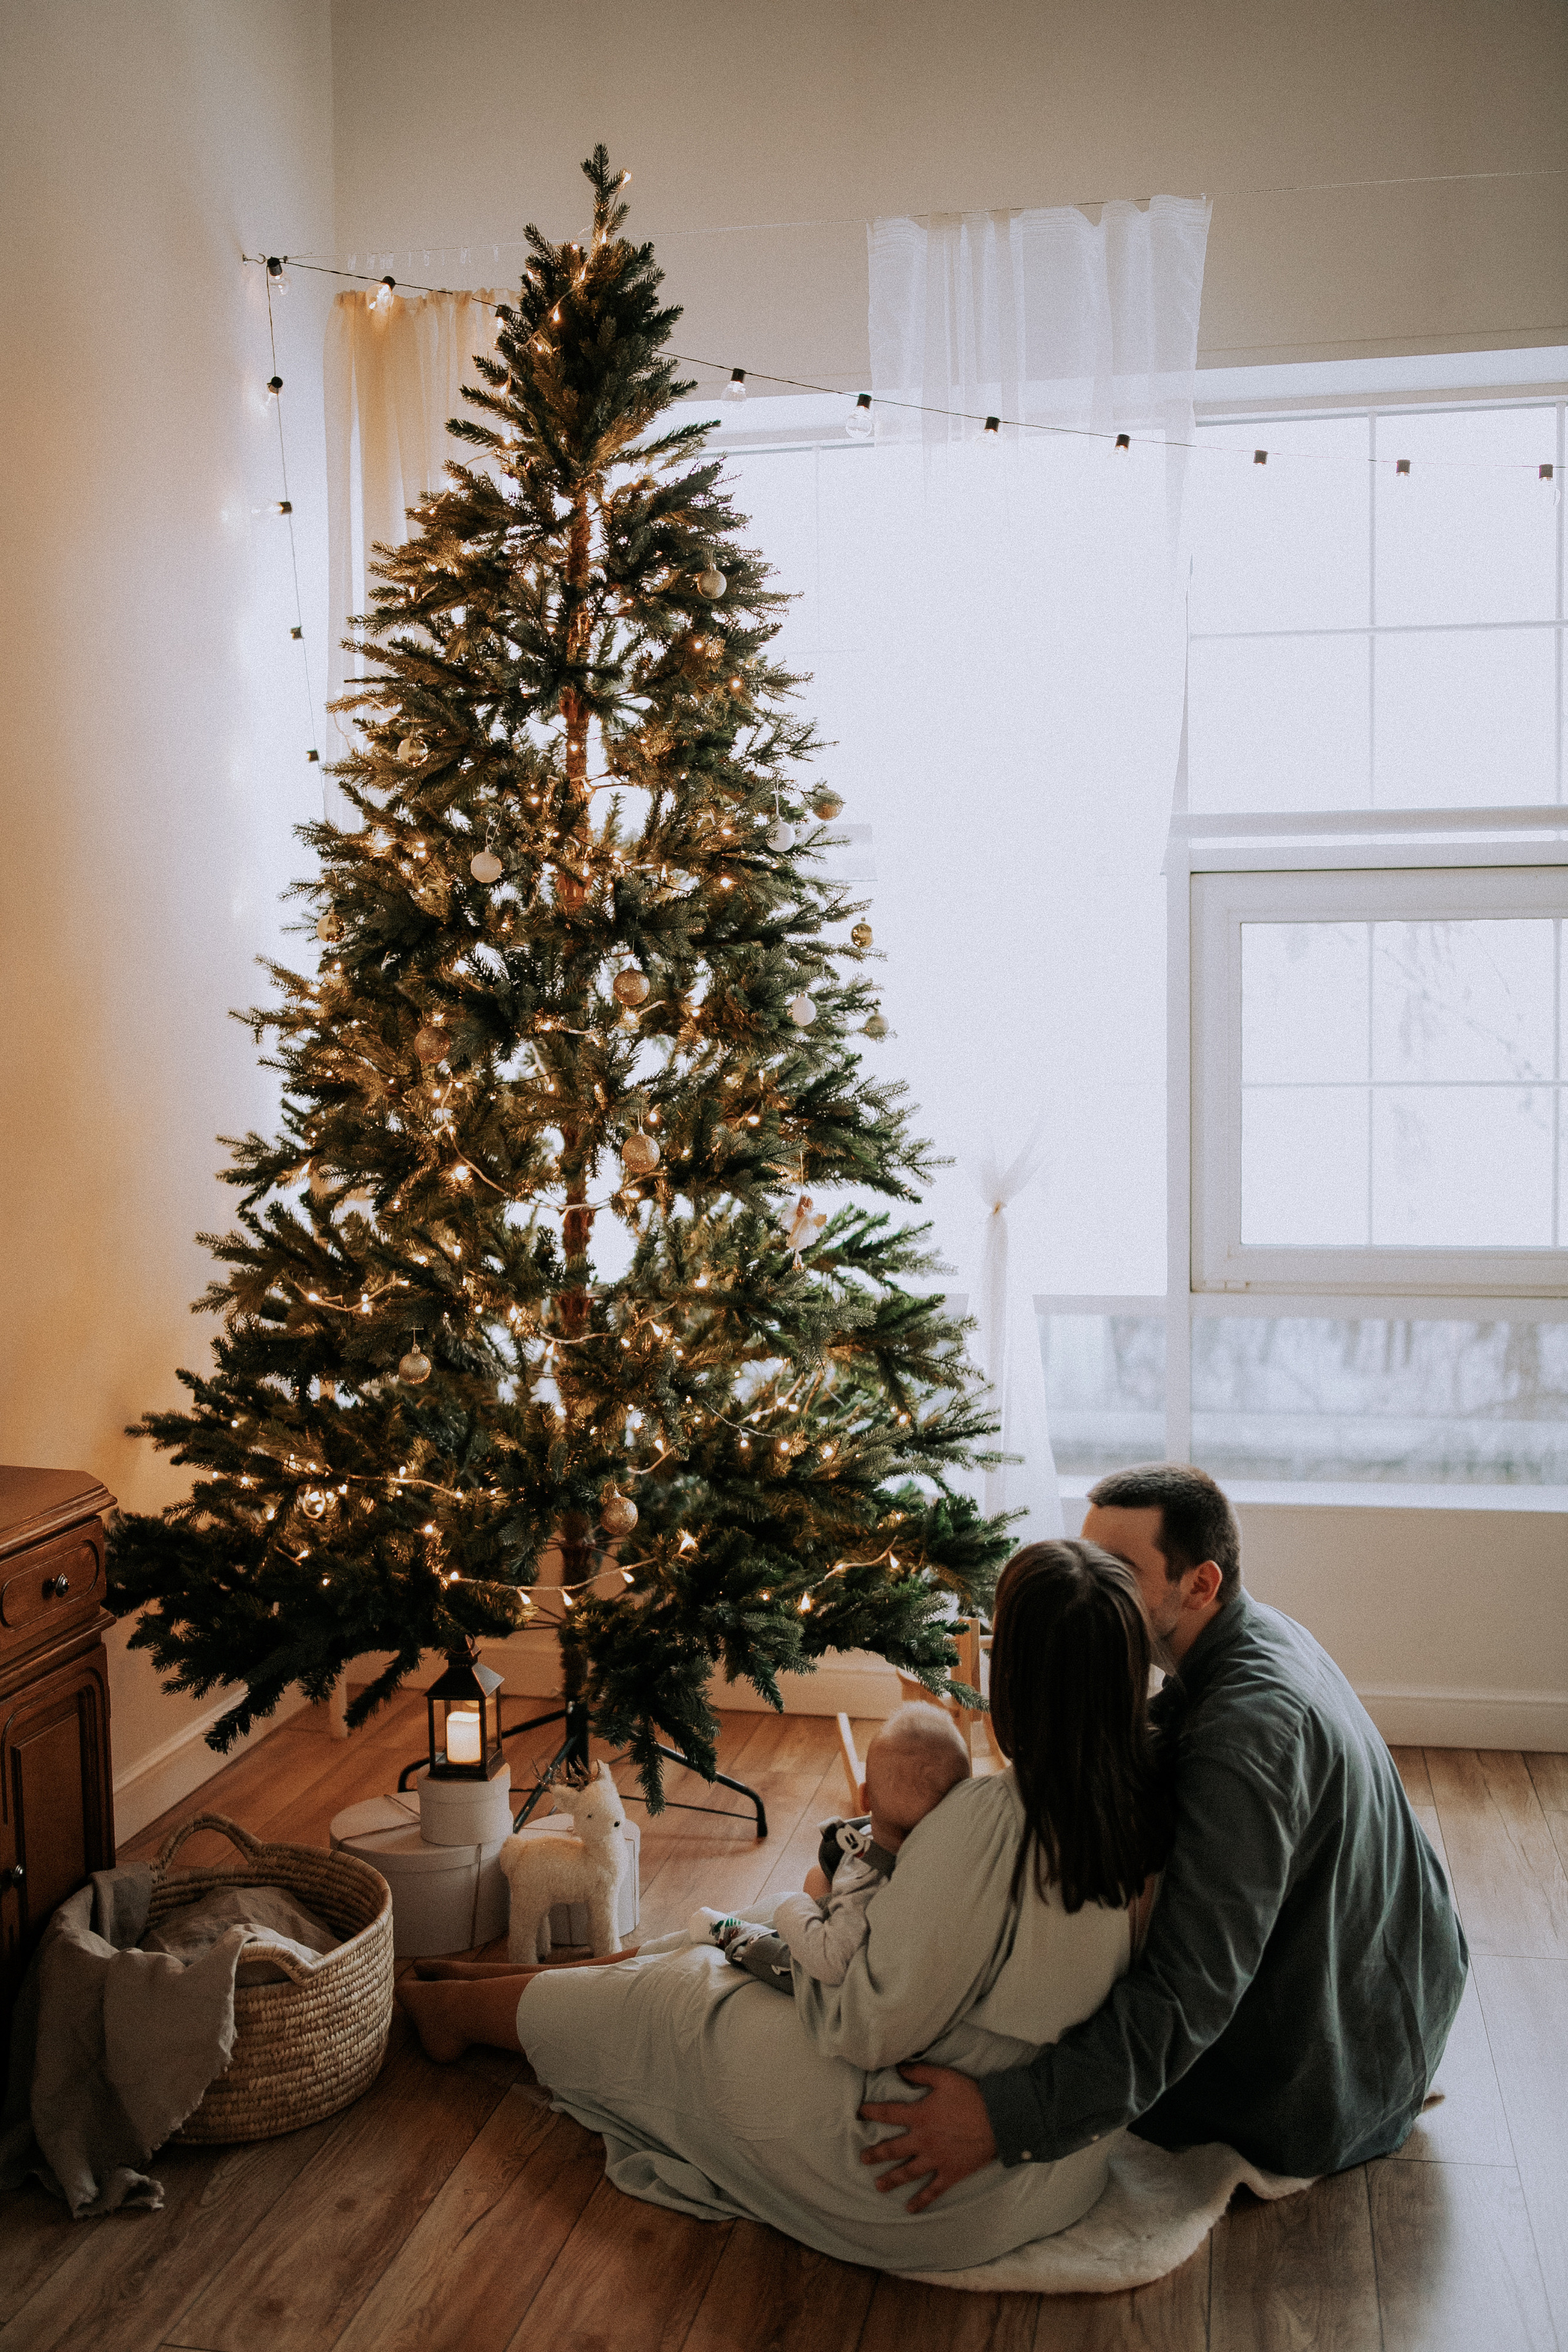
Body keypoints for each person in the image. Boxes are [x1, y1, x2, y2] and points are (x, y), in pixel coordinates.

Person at [398, 1541, 1171, 2274]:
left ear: (1017, 1680)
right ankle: (495, 1986)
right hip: (1049, 2175)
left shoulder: (987, 1823)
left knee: (685, 1994)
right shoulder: (1136, 1807)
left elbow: (867, 2026)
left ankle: (458, 2013)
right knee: (750, 1920)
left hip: (917, 2170)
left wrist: (804, 1924)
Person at [859, 1463, 1469, 2212]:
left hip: (1331, 2083)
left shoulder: (1244, 1741)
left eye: (1119, 1571)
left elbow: (1192, 1991)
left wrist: (1005, 2119)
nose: (1097, 1585)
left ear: (1200, 1584)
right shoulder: (1253, 1634)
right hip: (1402, 2003)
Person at [690, 1700, 972, 1988]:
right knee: (817, 1875)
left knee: (779, 1951)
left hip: (833, 1970)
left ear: (864, 1798)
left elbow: (831, 1963)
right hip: (860, 1934)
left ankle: (730, 1933)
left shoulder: (868, 1887)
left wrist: (791, 1908)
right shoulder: (966, 1855)